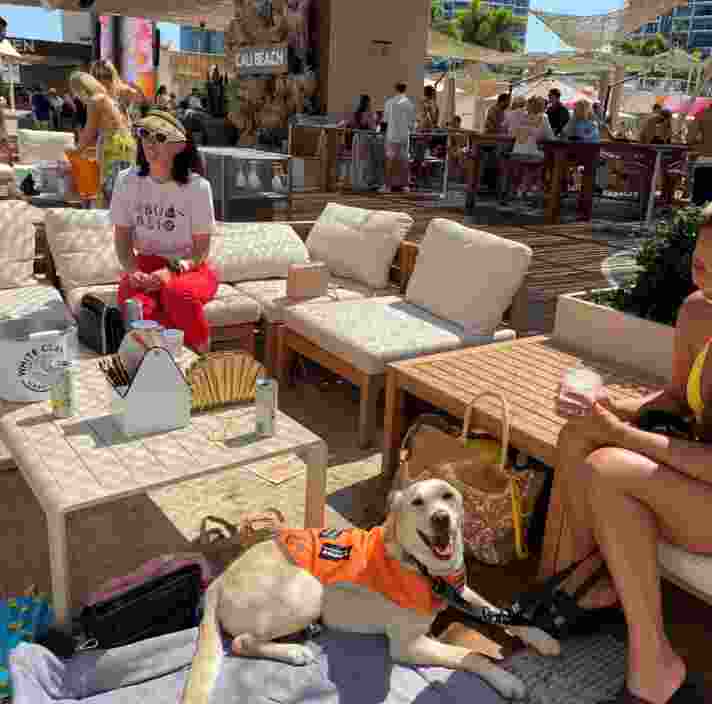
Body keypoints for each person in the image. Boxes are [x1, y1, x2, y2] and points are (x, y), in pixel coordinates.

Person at [552, 213, 712, 704]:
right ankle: (571, 589)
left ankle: (655, 666)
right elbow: (676, 402)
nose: (702, 278)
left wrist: (619, 432)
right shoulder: (697, 312)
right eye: (701, 263)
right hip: (696, 473)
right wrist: (602, 406)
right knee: (578, 434)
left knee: (610, 467)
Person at [111, 110, 217, 354]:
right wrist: (132, 270)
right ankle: (157, 363)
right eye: (144, 133)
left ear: (177, 147)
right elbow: (122, 240)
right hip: (145, 264)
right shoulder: (126, 181)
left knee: (176, 293)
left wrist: (171, 272)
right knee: (133, 301)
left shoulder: (197, 187)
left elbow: (201, 252)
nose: (149, 142)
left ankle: (202, 360)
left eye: (159, 137)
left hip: (190, 268)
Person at [69, 70, 137, 208]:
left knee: (111, 193)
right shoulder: (108, 98)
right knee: (124, 191)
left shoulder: (95, 100)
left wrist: (76, 151)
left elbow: (89, 131)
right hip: (125, 145)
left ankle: (112, 225)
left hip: (112, 147)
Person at [507, 95, 554, 197]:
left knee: (528, 166)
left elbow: (512, 133)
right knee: (545, 162)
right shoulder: (543, 118)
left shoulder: (522, 117)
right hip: (533, 154)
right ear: (541, 106)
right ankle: (535, 189)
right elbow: (550, 136)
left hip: (517, 153)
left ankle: (522, 189)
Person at [380, 82, 415, 194]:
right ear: (405, 90)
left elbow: (384, 121)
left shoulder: (389, 102)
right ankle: (405, 186)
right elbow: (411, 123)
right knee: (404, 161)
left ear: (395, 89)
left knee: (390, 160)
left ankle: (387, 186)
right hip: (404, 136)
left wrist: (383, 133)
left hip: (392, 135)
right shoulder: (409, 104)